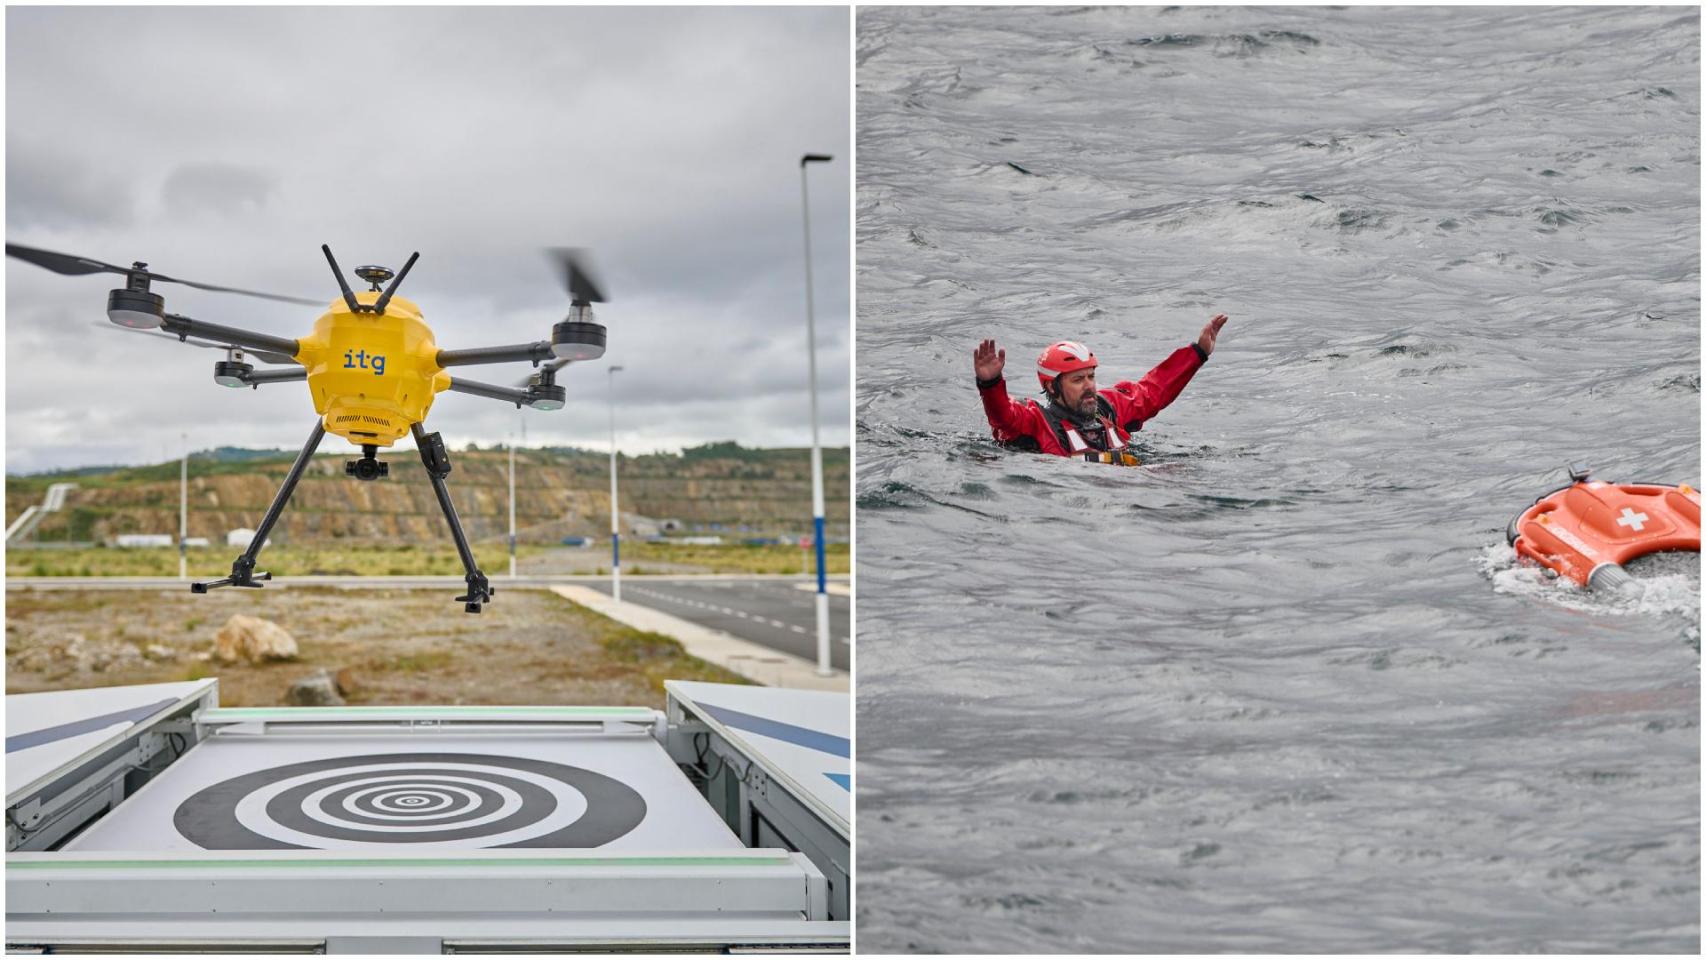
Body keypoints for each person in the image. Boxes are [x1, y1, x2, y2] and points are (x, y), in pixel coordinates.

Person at [972, 315, 1227, 462]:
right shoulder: (1035, 420)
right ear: (1051, 387)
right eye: (1077, 380)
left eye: (1091, 376)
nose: (1089, 386)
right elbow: (1003, 417)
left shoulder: (1108, 407)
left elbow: (1152, 392)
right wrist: (991, 384)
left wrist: (1198, 353)